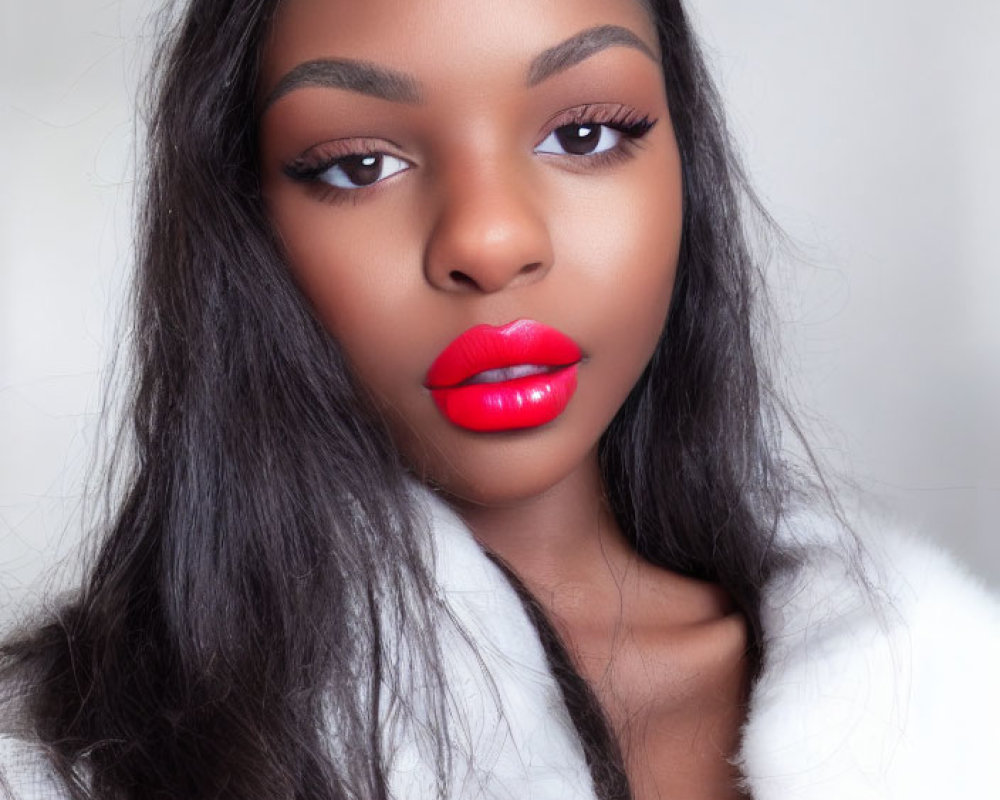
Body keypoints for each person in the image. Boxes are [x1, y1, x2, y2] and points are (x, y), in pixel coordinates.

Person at [1, 0, 997, 798]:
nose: (487, 240)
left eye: (586, 132)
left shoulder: (946, 698)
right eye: (358, 165)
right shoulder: (58, 754)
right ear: (244, 221)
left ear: (682, 164)